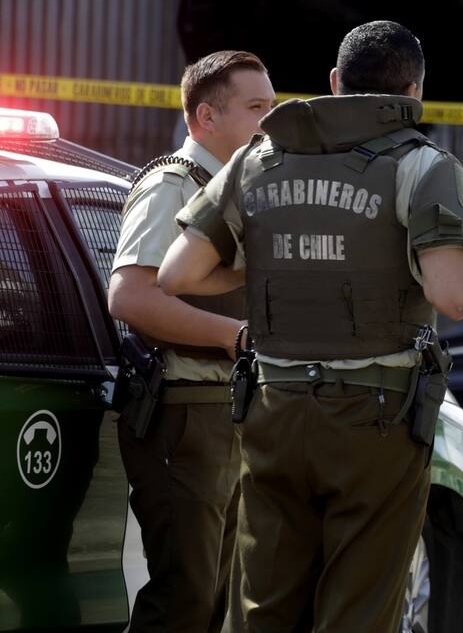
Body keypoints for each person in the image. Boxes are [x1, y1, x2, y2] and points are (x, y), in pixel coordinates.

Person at [157, 20, 463, 631]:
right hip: (375, 419)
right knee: (358, 607)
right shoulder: (423, 165)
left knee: (266, 606)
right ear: (414, 91)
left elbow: (177, 274)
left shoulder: (258, 157)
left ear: (335, 82)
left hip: (274, 408)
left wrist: (269, 267)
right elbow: (454, 297)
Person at [108, 50, 275, 632]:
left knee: (215, 603)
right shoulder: (172, 185)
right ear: (206, 116)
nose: (269, 121)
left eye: (272, 106)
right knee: (186, 601)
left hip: (224, 411)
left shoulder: (237, 189)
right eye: (257, 108)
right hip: (184, 410)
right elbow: (131, 298)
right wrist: (235, 337)